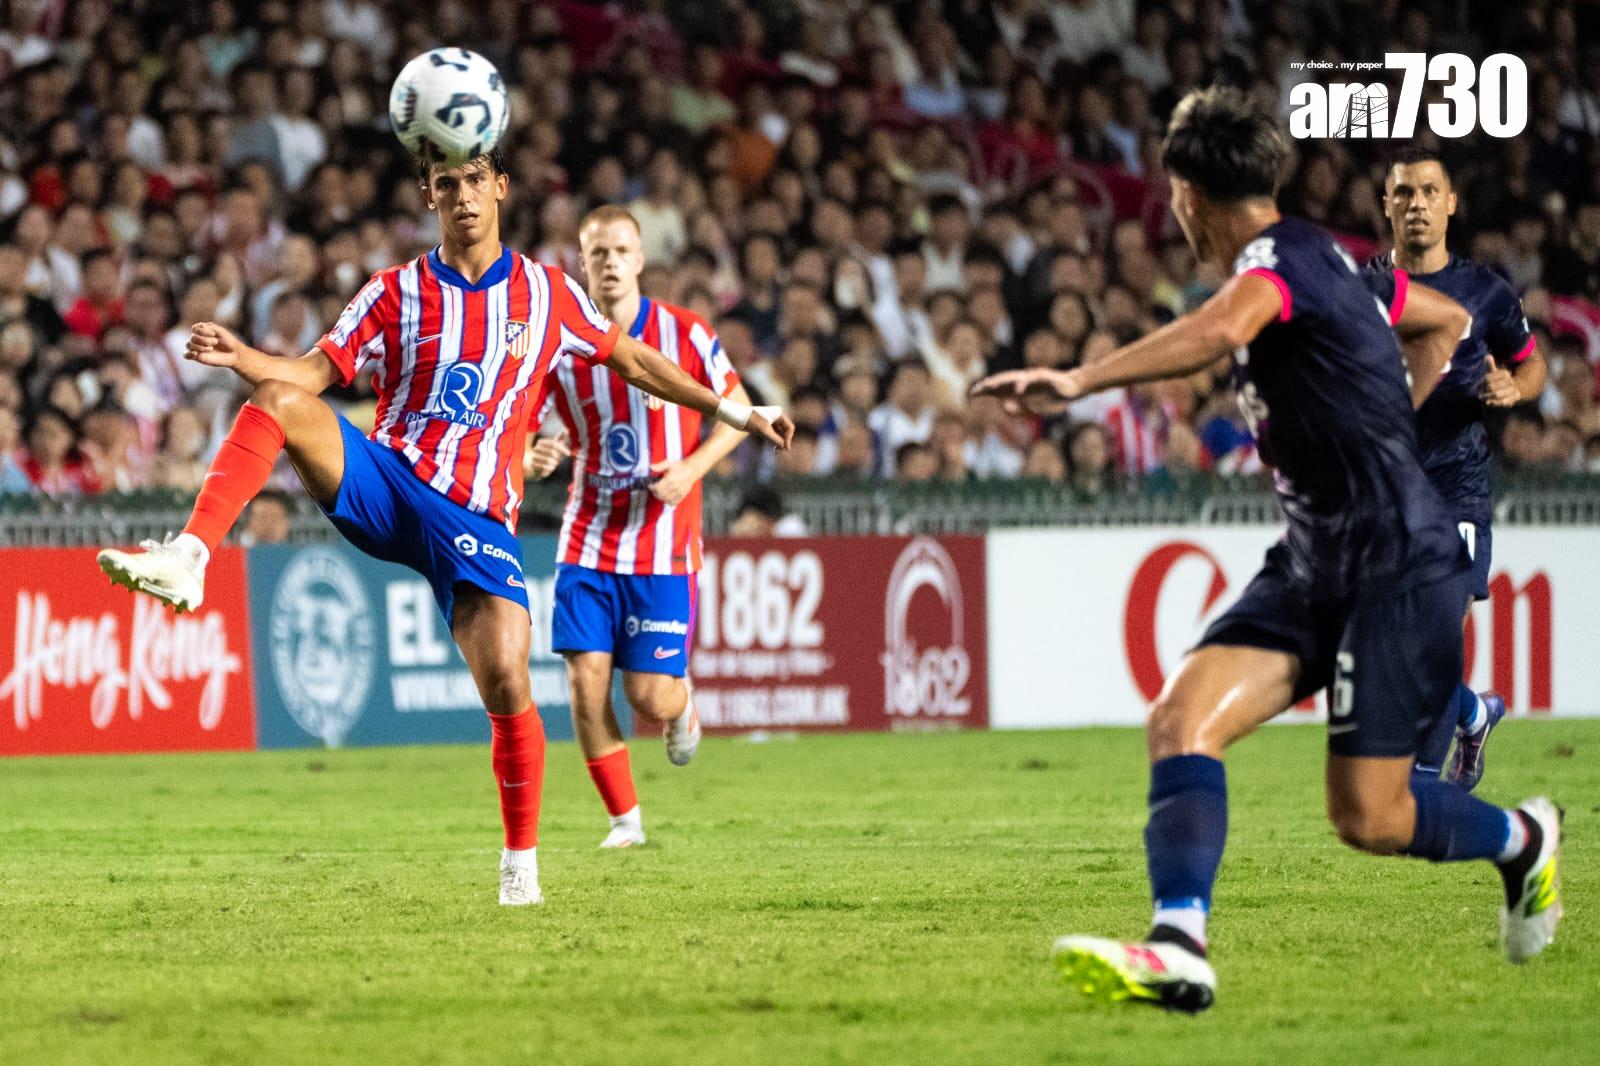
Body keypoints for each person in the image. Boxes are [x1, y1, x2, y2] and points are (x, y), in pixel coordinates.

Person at [972, 88, 1563, 1013]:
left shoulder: (1274, 260)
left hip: (1397, 564)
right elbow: (1445, 324)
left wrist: (1080, 378)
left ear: (1185, 193)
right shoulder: (1335, 255)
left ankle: (1524, 841)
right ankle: (1179, 946)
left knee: (1369, 818)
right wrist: (1389, 426)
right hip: (1318, 553)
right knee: (1181, 719)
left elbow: (1224, 327)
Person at [96, 148, 794, 907]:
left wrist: (732, 411)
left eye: (475, 181)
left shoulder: (546, 292)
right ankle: (193, 554)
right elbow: (315, 372)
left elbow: (631, 360)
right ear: (429, 194)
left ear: (501, 186)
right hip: (390, 483)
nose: (463, 196)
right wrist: (247, 357)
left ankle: (520, 867)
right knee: (274, 400)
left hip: (476, 515)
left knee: (508, 681)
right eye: (447, 184)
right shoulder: (393, 292)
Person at [524, 205, 760, 850]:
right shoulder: (563, 344)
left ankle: (683, 703)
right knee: (583, 681)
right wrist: (533, 454)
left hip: (663, 542)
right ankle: (625, 822)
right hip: (587, 539)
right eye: (596, 252)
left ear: (640, 259)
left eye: (620, 250)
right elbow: (528, 427)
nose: (608, 262)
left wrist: (692, 469)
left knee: (649, 697)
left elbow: (737, 410)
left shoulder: (684, 333)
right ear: (582, 261)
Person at [1365, 146, 1548, 791]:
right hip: (1383, 489)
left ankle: (1418, 783)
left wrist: (1515, 391)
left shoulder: (1486, 293)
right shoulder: (1363, 290)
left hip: (1453, 485)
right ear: (1386, 206)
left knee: (1440, 628)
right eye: (1403, 194)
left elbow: (1532, 363)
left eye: (1428, 192)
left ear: (1452, 204)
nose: (1416, 205)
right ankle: (1473, 714)